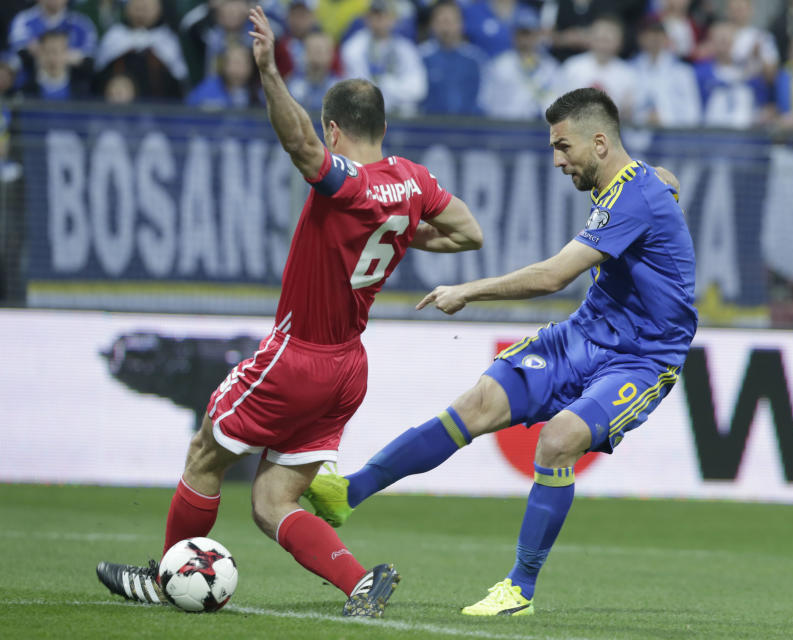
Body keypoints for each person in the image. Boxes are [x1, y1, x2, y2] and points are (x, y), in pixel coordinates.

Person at [95, 4, 483, 619]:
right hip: (349, 367)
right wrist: (408, 232)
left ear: (334, 129)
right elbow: (469, 234)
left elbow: (299, 146)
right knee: (273, 499)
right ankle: (360, 582)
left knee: (205, 452)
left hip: (298, 354)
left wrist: (270, 74)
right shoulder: (411, 182)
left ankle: (167, 574)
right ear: (382, 125)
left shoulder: (348, 183)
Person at [303, 87, 697, 616]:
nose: (557, 160)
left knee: (558, 442)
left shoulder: (635, 195)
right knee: (477, 404)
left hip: (642, 359)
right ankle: (348, 493)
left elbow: (554, 275)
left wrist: (468, 290)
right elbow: (663, 183)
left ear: (600, 142)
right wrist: (664, 183)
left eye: (564, 147)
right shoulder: (635, 182)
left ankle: (520, 589)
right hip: (582, 336)